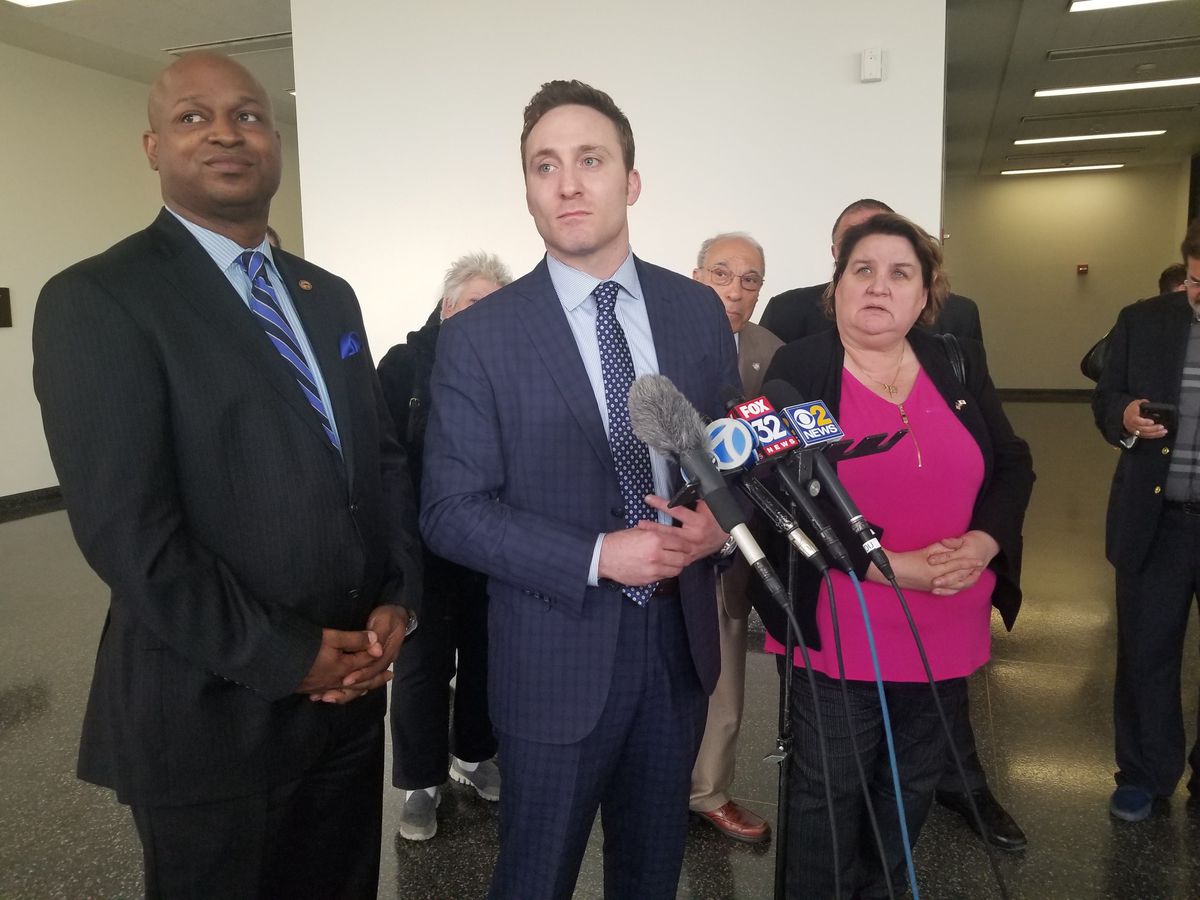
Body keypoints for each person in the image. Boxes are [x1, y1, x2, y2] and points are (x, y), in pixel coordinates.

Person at [31, 53, 421, 899]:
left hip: (352, 696)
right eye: (192, 117)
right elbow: (128, 533)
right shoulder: (100, 299)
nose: (224, 133)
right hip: (211, 712)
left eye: (246, 115)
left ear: (275, 141)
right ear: (152, 147)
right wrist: (288, 656)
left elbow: (379, 463)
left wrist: (399, 594)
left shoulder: (328, 295)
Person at [420, 79, 739, 899]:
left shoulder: (697, 311)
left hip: (677, 657)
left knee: (651, 877)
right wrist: (598, 554)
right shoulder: (480, 336)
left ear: (630, 181)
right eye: (544, 166)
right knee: (533, 880)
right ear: (527, 188)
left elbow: (734, 457)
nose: (567, 183)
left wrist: (720, 526)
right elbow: (451, 513)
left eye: (590, 160)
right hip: (553, 662)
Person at [758, 212, 1034, 896]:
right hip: (844, 617)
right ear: (838, 286)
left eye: (899, 273)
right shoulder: (803, 366)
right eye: (863, 270)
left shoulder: (955, 361)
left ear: (923, 293)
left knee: (909, 786)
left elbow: (1012, 463)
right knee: (828, 791)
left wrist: (986, 541)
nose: (879, 286)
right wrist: (889, 564)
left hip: (946, 619)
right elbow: (792, 492)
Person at [378, 251, 512, 841]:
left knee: (487, 658)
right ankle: (419, 782)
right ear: (447, 306)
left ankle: (474, 756)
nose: (485, 316)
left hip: (488, 542)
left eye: (496, 307)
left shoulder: (512, 367)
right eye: (475, 304)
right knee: (420, 667)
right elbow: (379, 460)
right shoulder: (404, 364)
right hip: (421, 547)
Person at [1093, 218, 1200, 823]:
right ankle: (1143, 773)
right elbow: (1105, 399)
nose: (1197, 294)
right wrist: (1124, 416)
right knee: (1146, 654)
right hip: (1155, 519)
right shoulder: (1143, 320)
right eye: (1192, 280)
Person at [688, 232, 781, 844]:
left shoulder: (772, 354)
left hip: (729, 540)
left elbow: (775, 457)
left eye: (750, 280)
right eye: (722, 273)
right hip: (647, 534)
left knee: (723, 669)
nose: (735, 289)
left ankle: (708, 790)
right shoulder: (652, 333)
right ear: (695, 275)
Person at [760, 198, 984, 345]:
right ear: (836, 254)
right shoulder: (787, 311)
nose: (878, 287)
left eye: (898, 272)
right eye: (852, 241)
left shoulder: (959, 315)